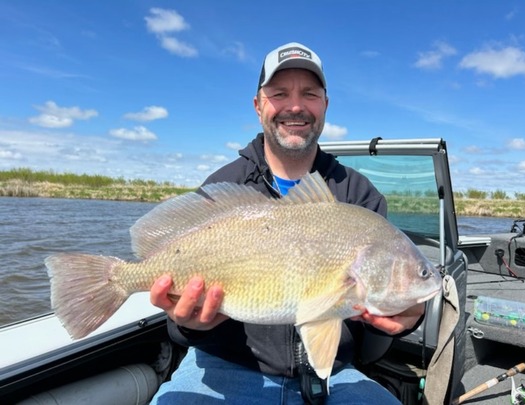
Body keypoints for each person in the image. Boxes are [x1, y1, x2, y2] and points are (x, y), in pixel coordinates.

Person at [149, 42, 424, 404]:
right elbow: (179, 320)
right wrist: (187, 323)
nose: (295, 106)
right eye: (280, 93)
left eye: (309, 94)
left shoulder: (360, 195)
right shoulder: (223, 187)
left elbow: (379, 306)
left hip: (334, 376)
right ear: (258, 105)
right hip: (223, 367)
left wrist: (412, 314)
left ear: (325, 104)